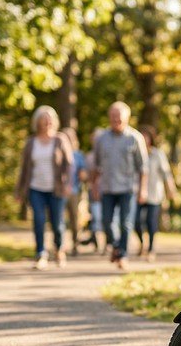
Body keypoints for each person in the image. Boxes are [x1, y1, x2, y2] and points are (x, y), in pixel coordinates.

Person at [15, 106, 73, 270]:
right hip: (35, 188)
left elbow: (69, 165)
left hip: (56, 189)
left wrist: (68, 183)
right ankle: (41, 253)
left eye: (50, 119)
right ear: (37, 121)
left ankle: (59, 249)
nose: (47, 122)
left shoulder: (60, 139)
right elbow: (24, 168)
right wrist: (19, 190)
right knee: (39, 221)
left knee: (57, 223)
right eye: (44, 119)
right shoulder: (31, 142)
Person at [91, 102, 147, 269]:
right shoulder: (102, 138)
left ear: (127, 118)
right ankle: (116, 246)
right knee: (106, 222)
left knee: (125, 223)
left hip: (128, 188)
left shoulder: (135, 138)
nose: (116, 120)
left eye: (119, 117)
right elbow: (96, 166)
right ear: (109, 117)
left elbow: (144, 168)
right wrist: (94, 186)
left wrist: (143, 189)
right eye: (113, 117)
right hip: (107, 187)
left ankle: (122, 255)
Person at [135, 125, 178, 261]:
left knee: (151, 222)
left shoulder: (158, 154)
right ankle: (142, 244)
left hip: (154, 194)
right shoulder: (135, 153)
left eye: (145, 137)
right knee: (136, 222)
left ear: (150, 139)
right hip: (138, 194)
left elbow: (166, 174)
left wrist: (171, 190)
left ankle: (151, 249)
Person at [60, 127, 88, 256]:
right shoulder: (57, 152)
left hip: (74, 190)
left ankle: (75, 243)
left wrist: (82, 175)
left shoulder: (78, 155)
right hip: (59, 191)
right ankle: (60, 244)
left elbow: (83, 174)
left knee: (74, 219)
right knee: (59, 219)